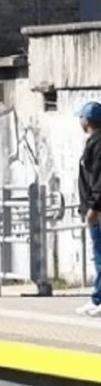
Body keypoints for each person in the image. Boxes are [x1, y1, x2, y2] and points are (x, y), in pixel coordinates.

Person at [75, 101, 101, 316]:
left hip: (98, 210)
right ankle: (97, 297)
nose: (80, 121)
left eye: (81, 117)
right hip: (94, 207)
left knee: (100, 255)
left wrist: (94, 207)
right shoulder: (93, 142)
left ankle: (99, 298)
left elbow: (99, 179)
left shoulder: (98, 144)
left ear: (88, 120)